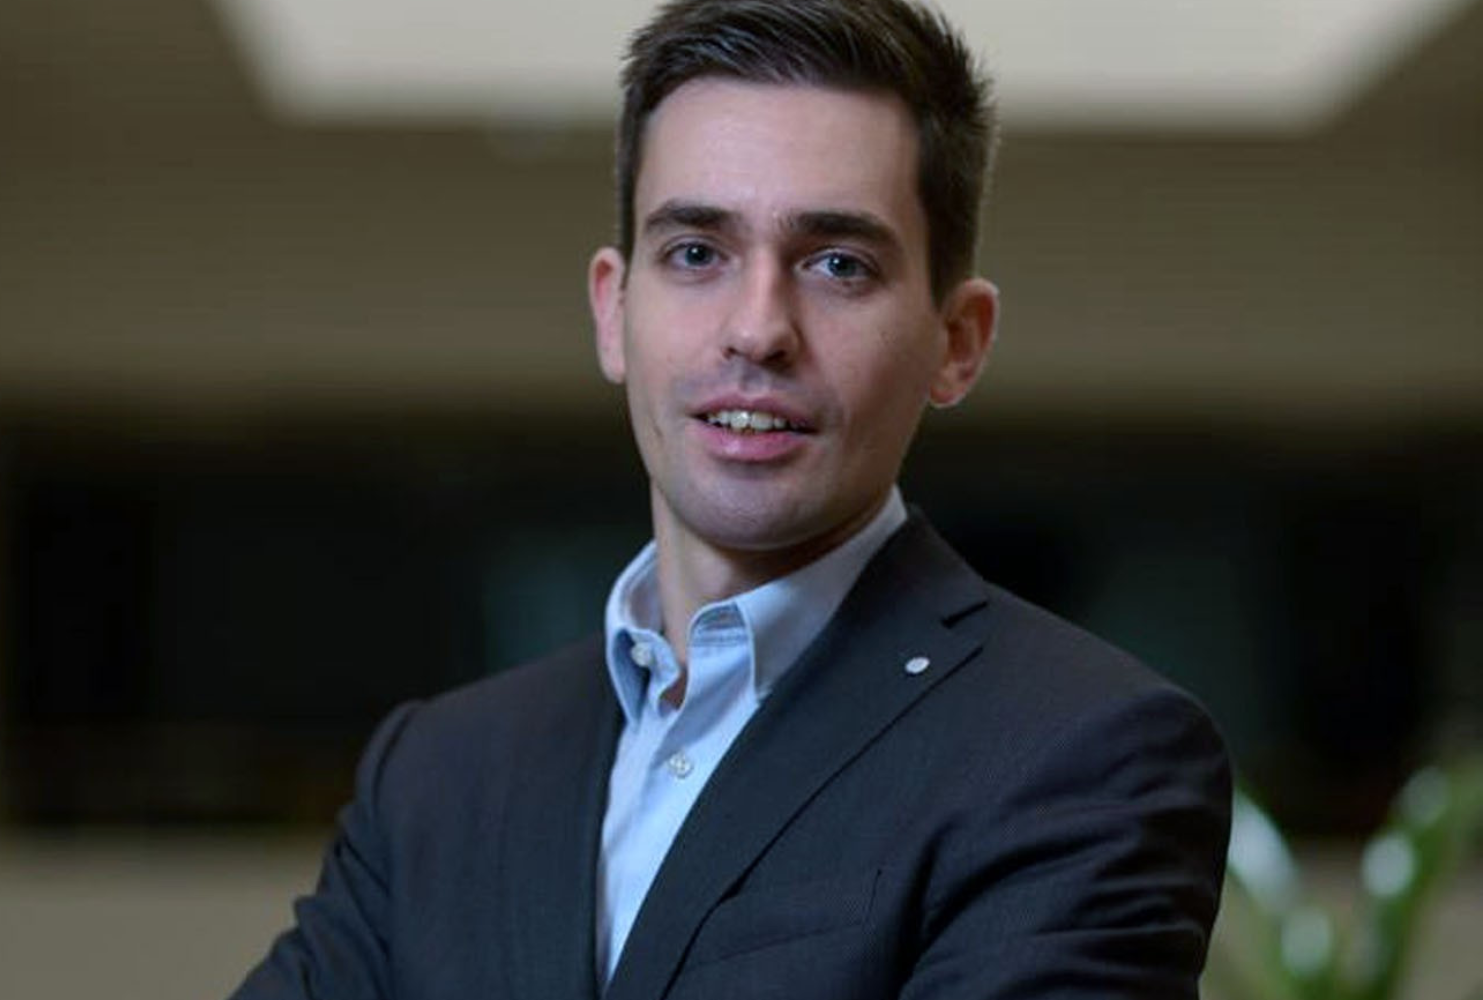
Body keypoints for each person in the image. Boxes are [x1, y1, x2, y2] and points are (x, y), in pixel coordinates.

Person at [232, 1, 1232, 997]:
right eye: (697, 253)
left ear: (957, 342)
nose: (757, 330)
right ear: (614, 311)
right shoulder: (439, 774)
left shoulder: (1080, 755)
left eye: (839, 264)